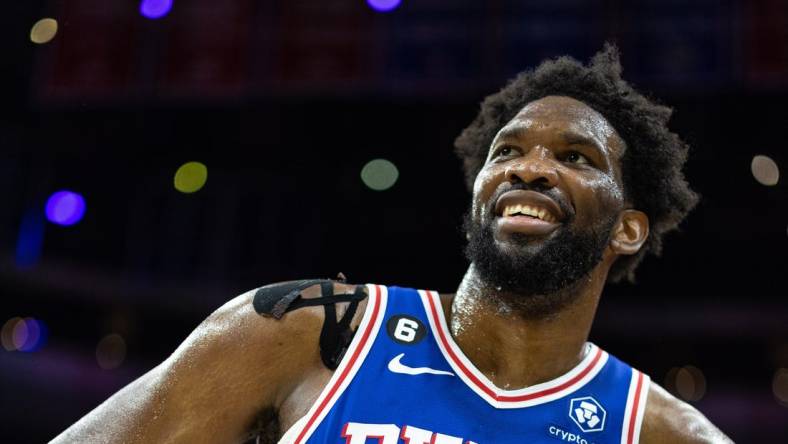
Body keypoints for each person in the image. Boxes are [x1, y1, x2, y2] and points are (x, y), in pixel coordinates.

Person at [52, 44, 732, 444]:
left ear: (628, 227)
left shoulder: (657, 431)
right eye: (508, 150)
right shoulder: (301, 332)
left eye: (577, 157)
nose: (530, 167)